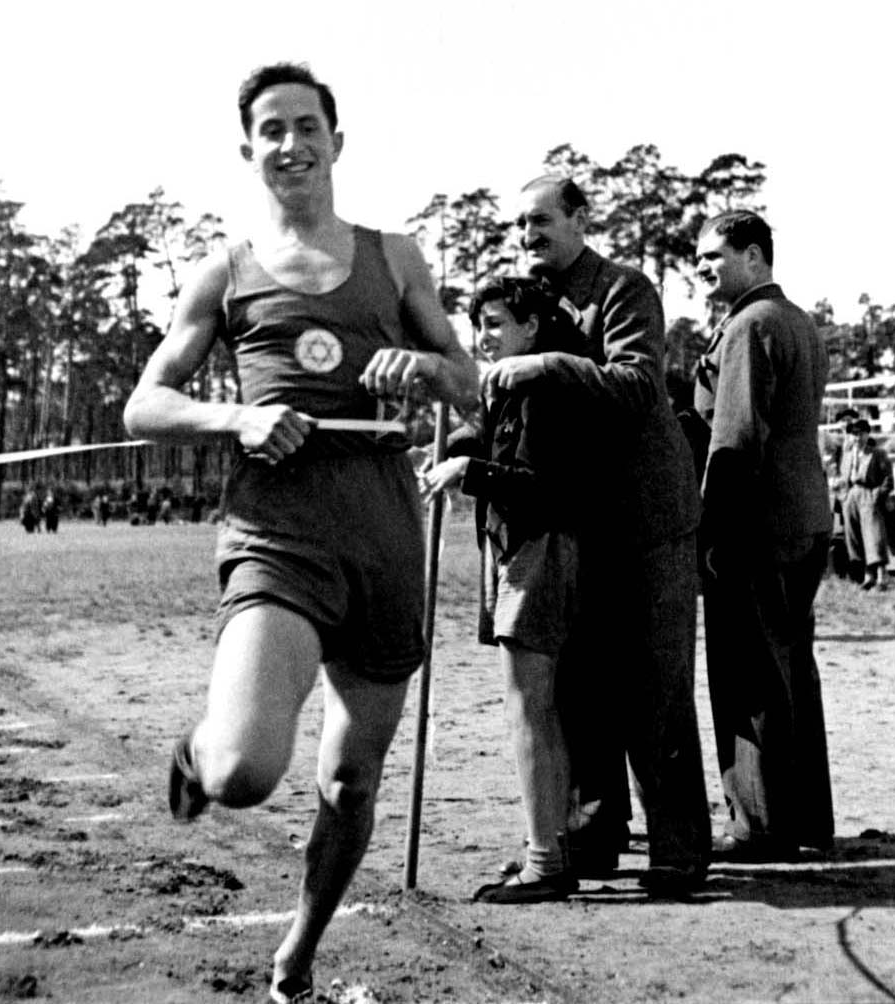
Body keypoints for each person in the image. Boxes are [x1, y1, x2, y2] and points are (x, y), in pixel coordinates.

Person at [123, 62, 477, 1004]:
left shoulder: (395, 256)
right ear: (249, 152)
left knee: (349, 786)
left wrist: (423, 369)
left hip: (384, 538)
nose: (290, 144)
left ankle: (296, 958)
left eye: (305, 125)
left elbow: (466, 377)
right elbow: (145, 404)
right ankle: (195, 754)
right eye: (270, 130)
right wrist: (233, 420)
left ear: (336, 140)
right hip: (277, 534)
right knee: (243, 773)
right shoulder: (224, 269)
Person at [493, 176, 711, 894]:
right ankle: (593, 835)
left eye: (541, 221)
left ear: (581, 218)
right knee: (579, 689)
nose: (528, 236)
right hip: (577, 523)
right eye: (520, 226)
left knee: (653, 685)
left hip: (648, 520)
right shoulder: (534, 303)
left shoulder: (623, 288)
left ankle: (677, 849)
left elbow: (638, 384)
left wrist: (545, 365)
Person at [421, 277, 592, 903]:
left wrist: (468, 470)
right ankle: (549, 847)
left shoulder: (546, 387)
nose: (483, 337)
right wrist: (454, 448)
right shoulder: (511, 388)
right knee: (535, 707)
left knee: (531, 708)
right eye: (478, 325)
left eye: (494, 323)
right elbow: (499, 448)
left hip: (542, 546)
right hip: (516, 548)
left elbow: (547, 484)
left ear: (532, 327)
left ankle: (547, 862)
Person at [693, 209, 834, 862]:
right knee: (790, 670)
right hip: (805, 515)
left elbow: (735, 439)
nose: (701, 270)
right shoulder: (796, 320)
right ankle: (805, 819)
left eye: (711, 257)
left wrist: (713, 530)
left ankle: (757, 826)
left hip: (756, 523)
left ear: (752, 257)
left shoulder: (748, 325)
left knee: (747, 674)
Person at [841, 417, 894, 590]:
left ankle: (881, 577)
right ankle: (868, 576)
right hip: (852, 496)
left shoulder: (877, 454)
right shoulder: (848, 455)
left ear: (867, 434)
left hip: (869, 493)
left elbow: (888, 479)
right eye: (854, 434)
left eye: (860, 433)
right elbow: (844, 478)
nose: (857, 438)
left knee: (874, 535)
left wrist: (877, 495)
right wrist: (844, 496)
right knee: (855, 535)